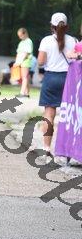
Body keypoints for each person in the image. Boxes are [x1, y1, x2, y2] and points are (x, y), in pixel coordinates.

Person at [38, 12, 76, 163]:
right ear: (66, 27)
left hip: (51, 79)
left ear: (51, 26)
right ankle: (67, 152)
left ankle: (47, 149)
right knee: (68, 116)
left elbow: (40, 62)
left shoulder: (46, 41)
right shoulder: (73, 41)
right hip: (69, 79)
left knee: (49, 115)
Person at [14, 27, 33, 97]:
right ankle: (27, 93)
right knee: (25, 77)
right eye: (19, 36)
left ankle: (22, 93)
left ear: (25, 34)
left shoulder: (28, 41)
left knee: (24, 77)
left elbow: (27, 53)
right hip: (20, 61)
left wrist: (20, 61)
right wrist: (16, 62)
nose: (20, 37)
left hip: (25, 61)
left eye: (21, 35)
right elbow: (18, 53)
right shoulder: (21, 42)